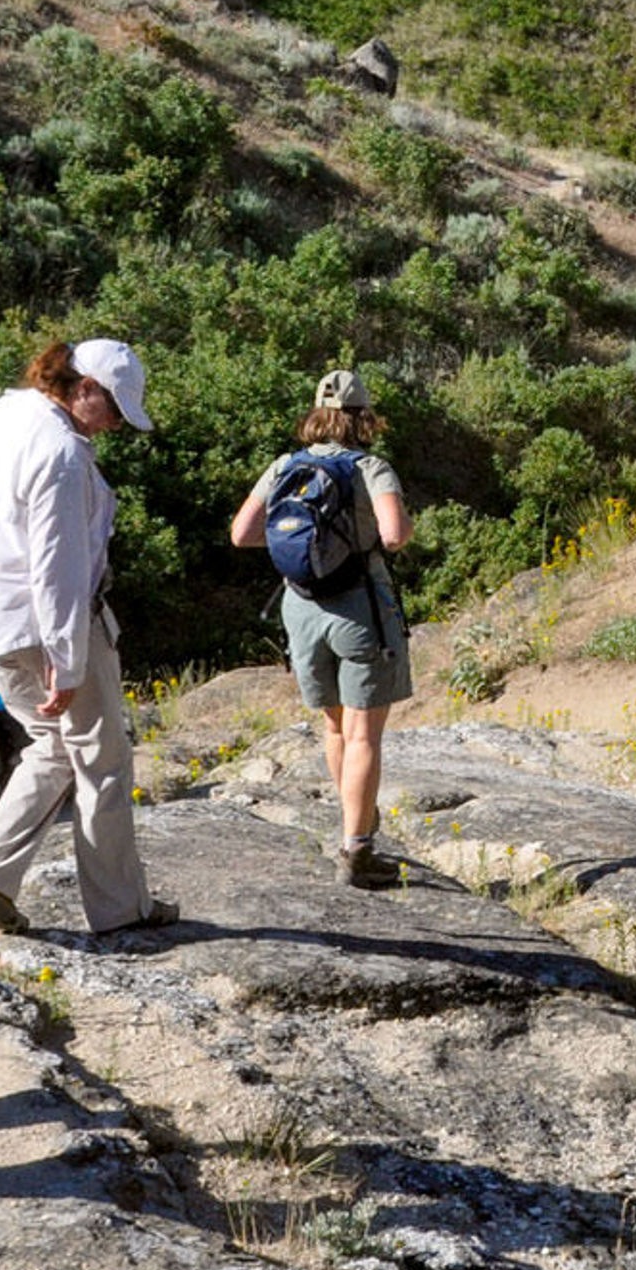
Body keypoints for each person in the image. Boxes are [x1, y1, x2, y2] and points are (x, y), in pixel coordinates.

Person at [0, 338, 176, 937]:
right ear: (85, 388)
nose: (118, 423)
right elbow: (59, 568)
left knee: (51, 745)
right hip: (46, 625)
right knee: (103, 759)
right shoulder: (62, 453)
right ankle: (121, 909)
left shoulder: (2, 414)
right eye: (116, 408)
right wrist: (68, 667)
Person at [230, 370, 415, 889]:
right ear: (362, 417)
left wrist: (310, 553)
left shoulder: (285, 465)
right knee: (363, 734)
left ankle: (352, 824)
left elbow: (242, 533)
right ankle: (357, 848)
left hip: (301, 607)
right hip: (360, 608)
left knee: (333, 727)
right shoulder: (369, 466)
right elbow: (395, 535)